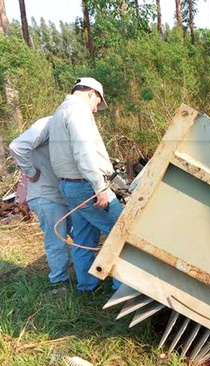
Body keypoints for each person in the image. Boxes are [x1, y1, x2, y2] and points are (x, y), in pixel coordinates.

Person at [46, 77, 122, 292]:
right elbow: (84, 152)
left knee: (82, 237)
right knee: (121, 233)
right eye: (98, 102)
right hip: (86, 185)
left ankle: (87, 287)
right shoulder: (79, 111)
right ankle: (123, 288)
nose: (96, 109)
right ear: (91, 93)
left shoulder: (60, 111)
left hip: (70, 186)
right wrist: (100, 187)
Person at [9, 116, 71, 285]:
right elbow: (16, 146)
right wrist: (30, 171)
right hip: (46, 194)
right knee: (56, 240)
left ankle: (83, 275)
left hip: (60, 194)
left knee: (79, 234)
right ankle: (58, 281)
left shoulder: (67, 126)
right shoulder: (47, 124)